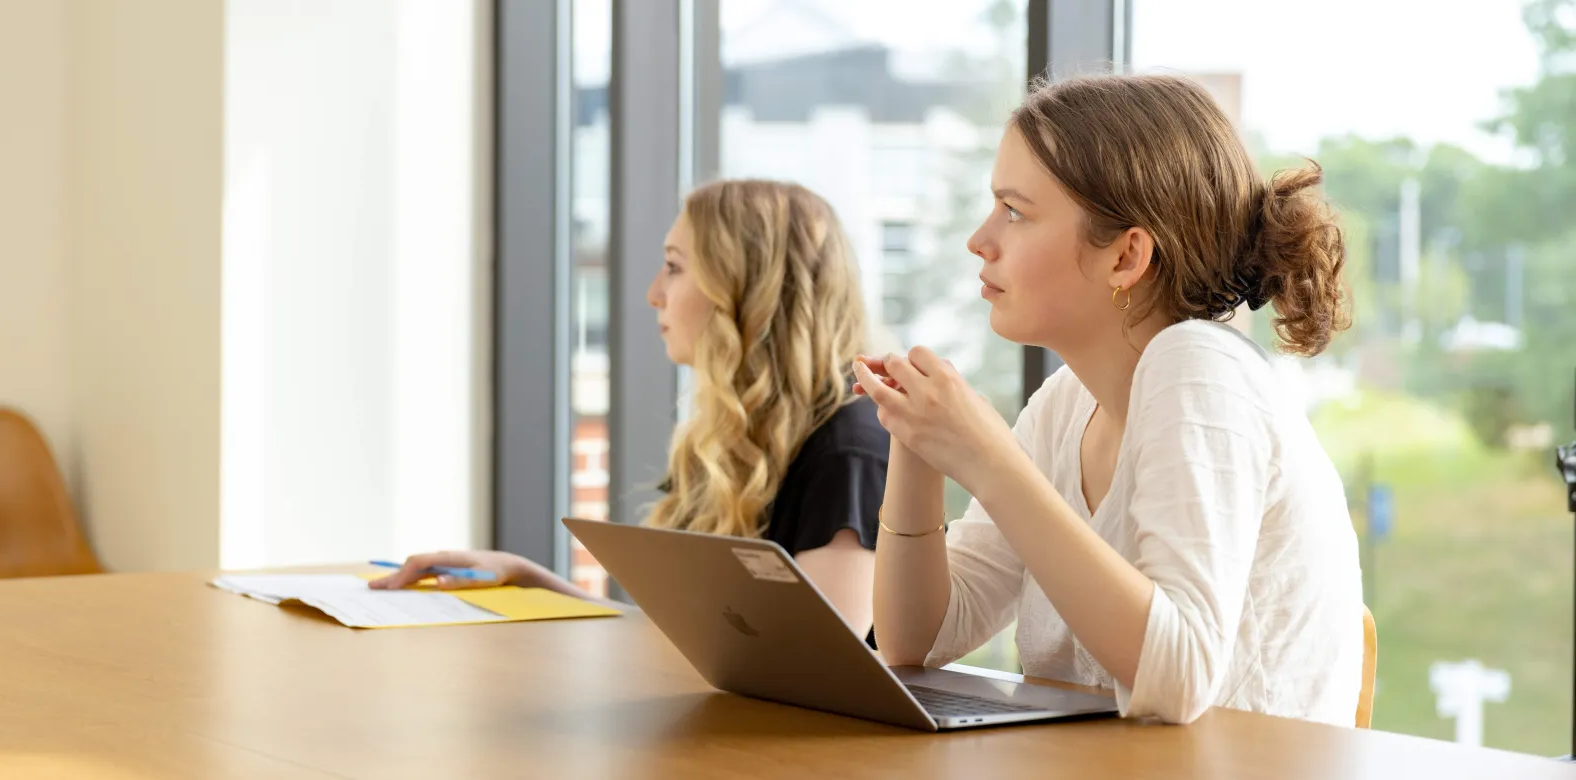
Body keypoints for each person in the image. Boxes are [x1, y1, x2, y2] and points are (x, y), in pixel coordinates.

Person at [856, 73, 1364, 726]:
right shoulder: (1066, 404)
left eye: (1015, 211)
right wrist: (919, 444)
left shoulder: (1202, 370)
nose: (980, 239)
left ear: (1126, 257)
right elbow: (915, 642)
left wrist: (985, 456)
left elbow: (1178, 678)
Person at [375, 179, 889, 635]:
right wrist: (527, 578)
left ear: (745, 285)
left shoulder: (851, 448)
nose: (653, 294)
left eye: (673, 267)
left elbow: (817, 664)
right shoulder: (734, 440)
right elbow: (695, 649)